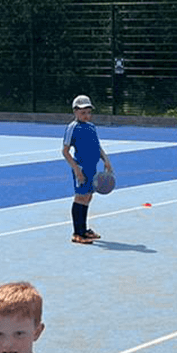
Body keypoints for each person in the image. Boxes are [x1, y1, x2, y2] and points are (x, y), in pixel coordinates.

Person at [62, 95, 114, 244]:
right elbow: (65, 151)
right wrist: (76, 169)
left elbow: (97, 147)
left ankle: (84, 229)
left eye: (88, 112)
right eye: (82, 112)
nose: (86, 115)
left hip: (93, 168)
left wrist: (106, 160)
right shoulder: (72, 128)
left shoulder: (91, 127)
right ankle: (77, 233)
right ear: (75, 112)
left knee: (88, 197)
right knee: (80, 197)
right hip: (81, 169)